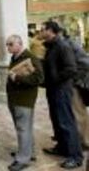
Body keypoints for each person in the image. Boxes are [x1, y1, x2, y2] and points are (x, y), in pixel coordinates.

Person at [41, 21, 83, 169]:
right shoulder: (51, 46)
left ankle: (75, 156)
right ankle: (62, 147)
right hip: (53, 89)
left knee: (66, 122)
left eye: (43, 29)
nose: (40, 31)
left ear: (51, 31)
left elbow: (71, 69)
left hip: (61, 90)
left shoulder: (62, 46)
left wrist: (55, 79)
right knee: (57, 121)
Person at [6, 35, 44, 171]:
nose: (8, 47)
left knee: (23, 129)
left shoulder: (30, 57)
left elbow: (39, 78)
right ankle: (29, 152)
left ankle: (23, 159)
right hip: (15, 98)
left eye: (10, 44)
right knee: (23, 128)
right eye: (7, 44)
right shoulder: (16, 57)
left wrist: (17, 77)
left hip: (24, 99)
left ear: (19, 44)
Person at [61, 29, 89, 150]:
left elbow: (85, 64)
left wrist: (73, 79)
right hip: (69, 85)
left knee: (79, 113)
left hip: (75, 85)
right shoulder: (66, 45)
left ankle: (85, 141)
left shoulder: (70, 45)